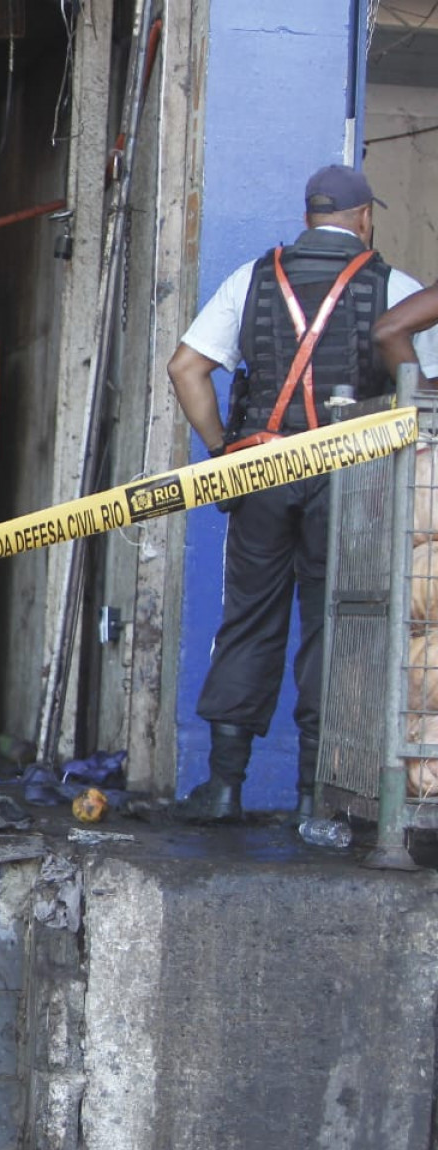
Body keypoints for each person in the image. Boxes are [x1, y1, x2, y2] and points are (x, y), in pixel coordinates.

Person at [167, 164, 438, 822]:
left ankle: (224, 786)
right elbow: (423, 396)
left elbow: (187, 368)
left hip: (258, 473)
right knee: (335, 628)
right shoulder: (393, 288)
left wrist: (222, 455)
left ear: (309, 215)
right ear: (365, 217)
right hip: (353, 488)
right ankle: (317, 801)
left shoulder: (253, 278)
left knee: (249, 620)